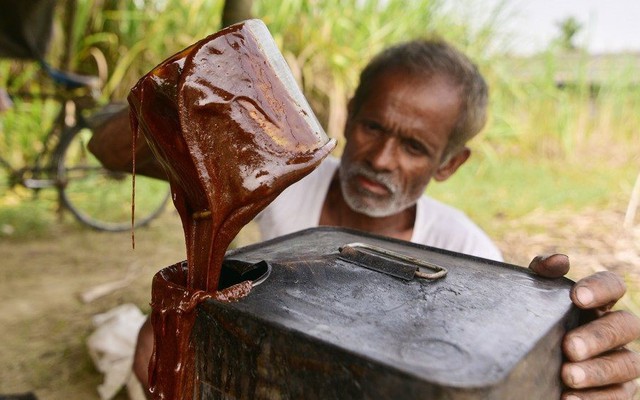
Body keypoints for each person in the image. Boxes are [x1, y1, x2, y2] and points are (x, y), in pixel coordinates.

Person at [129, 39, 640, 398]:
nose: (381, 158)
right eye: (373, 126)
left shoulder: (469, 252)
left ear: (450, 164)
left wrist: (554, 354)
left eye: (414, 146)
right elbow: (111, 148)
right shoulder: (277, 180)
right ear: (348, 115)